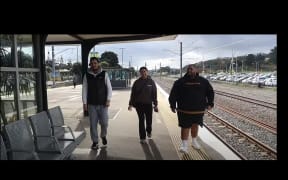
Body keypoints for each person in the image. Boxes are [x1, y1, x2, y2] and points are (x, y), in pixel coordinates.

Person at [168, 64, 214, 153]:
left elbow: (210, 92)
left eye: (192, 69)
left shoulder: (203, 81)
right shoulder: (180, 82)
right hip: (184, 110)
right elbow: (173, 94)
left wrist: (210, 103)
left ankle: (194, 141)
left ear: (196, 70)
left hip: (198, 110)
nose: (190, 71)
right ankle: (184, 145)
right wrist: (172, 105)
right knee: (185, 127)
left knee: (195, 126)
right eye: (189, 69)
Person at [82, 57, 112, 150]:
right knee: (93, 124)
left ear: (98, 64)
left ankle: (103, 135)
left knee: (104, 123)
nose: (94, 65)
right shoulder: (87, 75)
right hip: (92, 104)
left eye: (95, 63)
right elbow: (84, 89)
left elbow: (109, 88)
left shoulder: (104, 74)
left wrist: (108, 99)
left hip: (103, 104)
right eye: (92, 63)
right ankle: (95, 142)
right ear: (90, 65)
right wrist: (84, 103)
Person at [128, 67, 158, 144]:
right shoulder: (136, 82)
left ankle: (149, 131)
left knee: (149, 120)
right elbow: (133, 94)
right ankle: (142, 137)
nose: (143, 73)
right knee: (141, 120)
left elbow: (154, 94)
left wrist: (155, 105)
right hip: (139, 104)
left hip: (148, 104)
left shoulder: (151, 82)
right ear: (140, 73)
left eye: (144, 71)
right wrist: (130, 104)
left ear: (147, 72)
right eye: (141, 72)